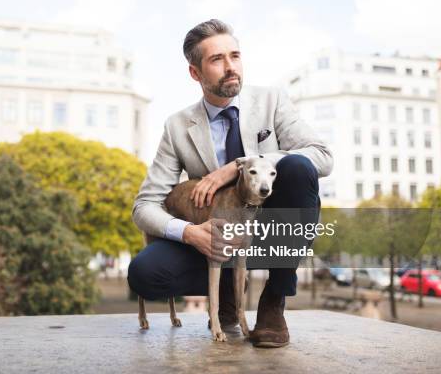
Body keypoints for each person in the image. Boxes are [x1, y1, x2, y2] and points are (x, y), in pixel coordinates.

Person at [128, 19, 333, 347]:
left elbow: (322, 157)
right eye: (216, 59)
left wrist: (235, 168)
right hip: (213, 238)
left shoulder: (272, 101)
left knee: (297, 166)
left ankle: (273, 302)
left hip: (270, 234)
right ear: (195, 73)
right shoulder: (178, 126)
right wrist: (189, 233)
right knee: (144, 274)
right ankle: (226, 290)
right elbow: (145, 206)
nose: (230, 67)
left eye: (235, 56)